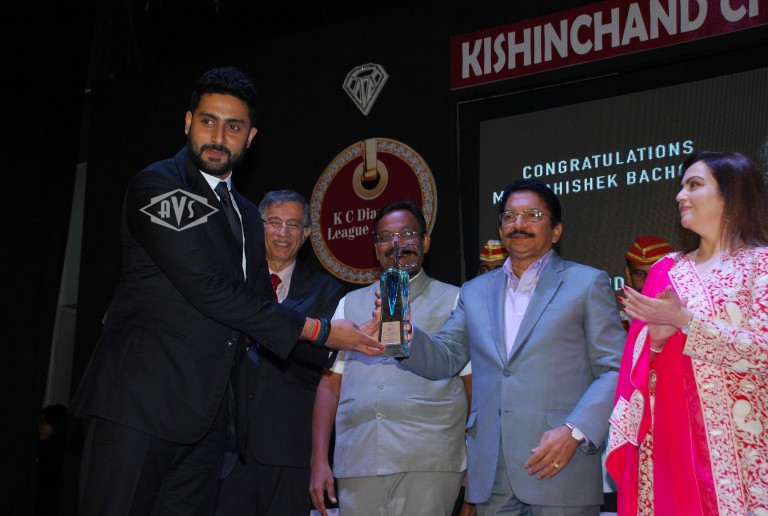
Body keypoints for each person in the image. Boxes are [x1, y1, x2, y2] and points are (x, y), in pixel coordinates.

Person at [69, 67, 382, 516]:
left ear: (250, 137)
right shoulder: (160, 185)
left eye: (233, 127)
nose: (218, 137)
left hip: (209, 425)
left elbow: (261, 309)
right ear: (187, 122)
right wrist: (322, 331)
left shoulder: (247, 214)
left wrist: (348, 341)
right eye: (208, 121)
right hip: (139, 407)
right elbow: (207, 288)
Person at [400, 179, 626, 515]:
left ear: (556, 230)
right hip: (493, 473)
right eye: (509, 216)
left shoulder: (587, 282)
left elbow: (616, 368)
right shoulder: (475, 291)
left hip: (559, 460)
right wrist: (402, 334)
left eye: (532, 215)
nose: (518, 224)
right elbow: (445, 357)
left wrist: (574, 431)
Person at [608, 151, 768, 515]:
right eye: (681, 187)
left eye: (694, 185)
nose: (680, 196)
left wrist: (687, 323)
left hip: (744, 449)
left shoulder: (760, 264)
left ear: (732, 193)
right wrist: (655, 340)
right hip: (670, 446)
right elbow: (634, 369)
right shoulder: (667, 269)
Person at [310, 200, 470, 516]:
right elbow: (330, 386)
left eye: (407, 233)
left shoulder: (456, 299)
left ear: (425, 241)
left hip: (429, 460)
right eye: (385, 237)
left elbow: (472, 385)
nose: (396, 243)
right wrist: (318, 461)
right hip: (358, 462)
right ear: (376, 248)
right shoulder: (349, 304)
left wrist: (475, 457)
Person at [215, 190, 345, 516]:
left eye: (293, 224)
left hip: (290, 450)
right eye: (273, 221)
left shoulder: (327, 293)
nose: (282, 232)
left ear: (307, 234)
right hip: (226, 452)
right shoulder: (230, 284)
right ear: (257, 227)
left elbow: (325, 371)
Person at [619, 235, 674, 330]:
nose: (648, 283)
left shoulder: (689, 316)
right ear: (628, 275)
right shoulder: (618, 326)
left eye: (656, 274)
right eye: (639, 274)